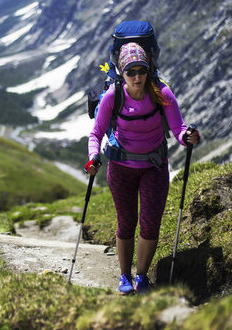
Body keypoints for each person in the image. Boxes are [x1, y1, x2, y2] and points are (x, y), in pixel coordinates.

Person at [85, 42, 200, 295]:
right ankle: (124, 276)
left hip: (154, 167)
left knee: (150, 225)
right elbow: (96, 133)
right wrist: (93, 157)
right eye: (131, 72)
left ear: (149, 70)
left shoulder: (162, 94)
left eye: (142, 70)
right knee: (126, 223)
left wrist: (188, 137)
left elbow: (178, 129)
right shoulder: (113, 96)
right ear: (122, 72)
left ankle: (142, 276)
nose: (137, 77)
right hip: (121, 168)